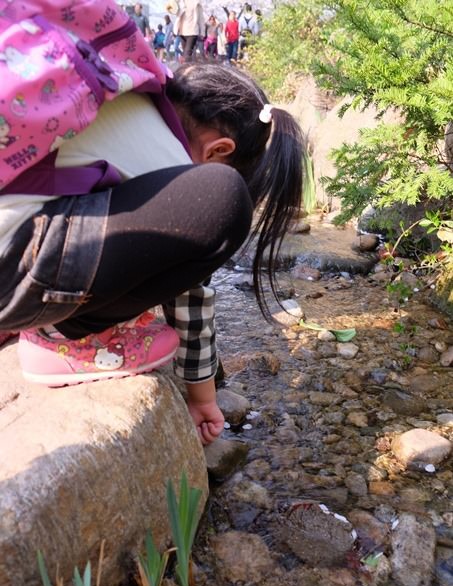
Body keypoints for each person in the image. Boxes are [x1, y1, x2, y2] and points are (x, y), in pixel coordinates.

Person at [0, 63, 304, 445]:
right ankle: (61, 337)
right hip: (15, 273)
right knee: (225, 199)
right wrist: (203, 397)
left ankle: (29, 315)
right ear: (219, 149)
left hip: (15, 247)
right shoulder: (172, 158)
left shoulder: (129, 94)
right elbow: (190, 293)